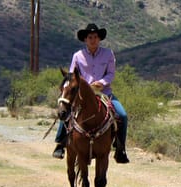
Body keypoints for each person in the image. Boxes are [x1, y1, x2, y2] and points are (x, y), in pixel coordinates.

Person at [53, 23, 130, 164]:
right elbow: (71, 76)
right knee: (66, 112)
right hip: (82, 94)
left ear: (99, 39)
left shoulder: (108, 54)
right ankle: (60, 143)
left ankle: (120, 149)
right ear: (85, 39)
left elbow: (111, 74)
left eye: (95, 37)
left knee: (122, 115)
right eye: (90, 37)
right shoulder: (78, 56)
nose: (93, 40)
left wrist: (102, 82)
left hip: (104, 92)